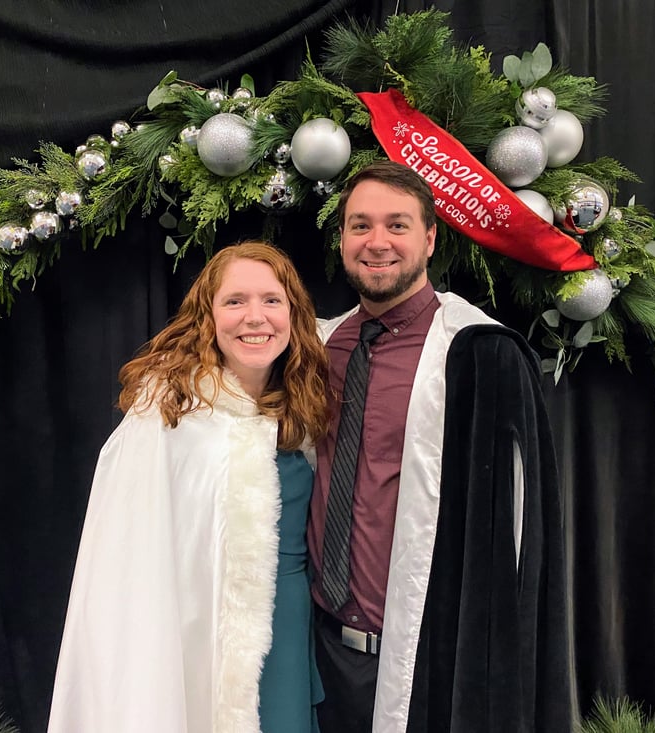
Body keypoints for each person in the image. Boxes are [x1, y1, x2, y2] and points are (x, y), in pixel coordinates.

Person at [307, 161, 573, 733]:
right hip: (319, 653)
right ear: (342, 239)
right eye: (360, 225)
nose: (377, 242)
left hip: (428, 661)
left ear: (430, 239)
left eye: (397, 225)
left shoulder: (479, 353)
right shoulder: (318, 346)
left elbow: (519, 531)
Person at [48, 241, 329, 733]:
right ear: (208, 316)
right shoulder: (168, 414)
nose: (255, 317)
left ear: (293, 314)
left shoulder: (302, 409)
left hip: (287, 636)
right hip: (198, 638)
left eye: (271, 300)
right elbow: (124, 563)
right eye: (235, 301)